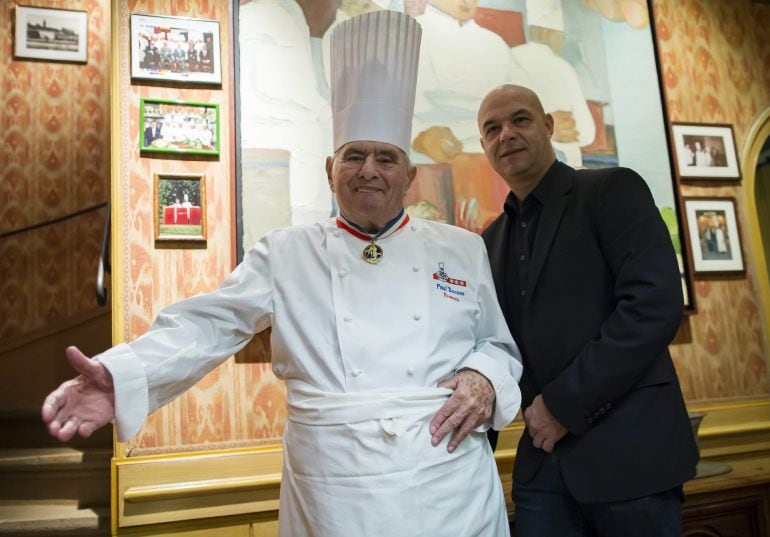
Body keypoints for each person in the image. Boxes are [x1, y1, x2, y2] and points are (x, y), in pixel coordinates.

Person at [42, 12, 523, 537]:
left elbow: (498, 346)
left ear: (409, 176)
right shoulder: (286, 252)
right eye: (354, 156)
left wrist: (483, 378)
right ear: (329, 170)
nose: (369, 170)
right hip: (338, 489)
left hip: (448, 484)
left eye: (386, 158)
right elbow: (207, 326)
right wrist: (121, 378)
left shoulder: (463, 248)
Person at [477, 84, 697, 536]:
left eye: (520, 120)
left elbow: (652, 306)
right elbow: (494, 345)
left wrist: (561, 406)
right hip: (541, 468)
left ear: (548, 126)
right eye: (492, 129)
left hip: (631, 457)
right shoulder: (489, 240)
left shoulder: (611, 189)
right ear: (483, 146)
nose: (506, 135)